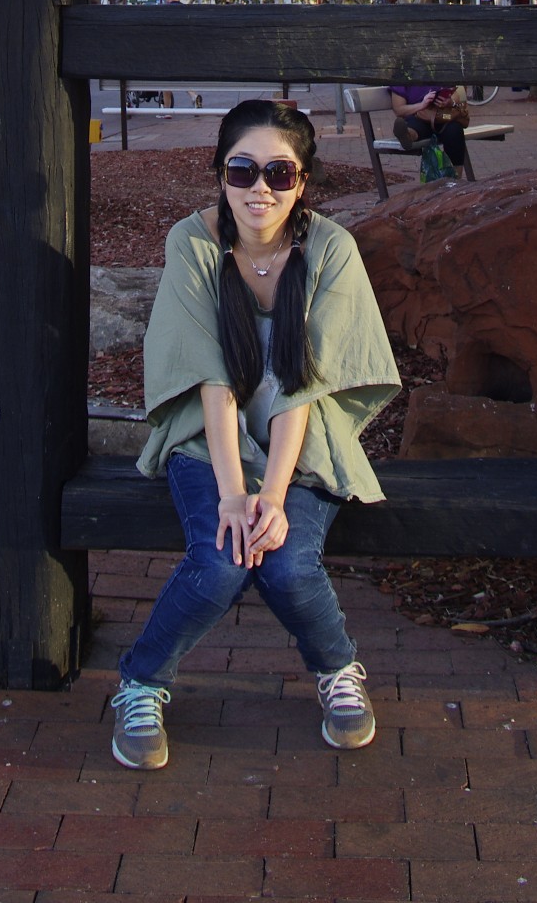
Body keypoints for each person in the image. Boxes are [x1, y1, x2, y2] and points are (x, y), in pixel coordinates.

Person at [111, 98, 400, 772]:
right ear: (219, 173)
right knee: (219, 559)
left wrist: (271, 495)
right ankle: (141, 682)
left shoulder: (330, 249)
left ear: (303, 181)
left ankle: (337, 670)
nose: (260, 189)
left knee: (287, 560)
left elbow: (304, 383)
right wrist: (235, 494)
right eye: (242, 171)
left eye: (279, 173)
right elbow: (209, 377)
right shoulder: (194, 242)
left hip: (302, 439)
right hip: (210, 439)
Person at [388, 82, 469, 175]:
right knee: (417, 125)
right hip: (418, 116)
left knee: (454, 130)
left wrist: (449, 102)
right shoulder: (401, 78)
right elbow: (399, 110)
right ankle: (407, 135)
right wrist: (422, 105)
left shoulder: (439, 71)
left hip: (441, 116)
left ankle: (454, 178)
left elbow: (456, 92)